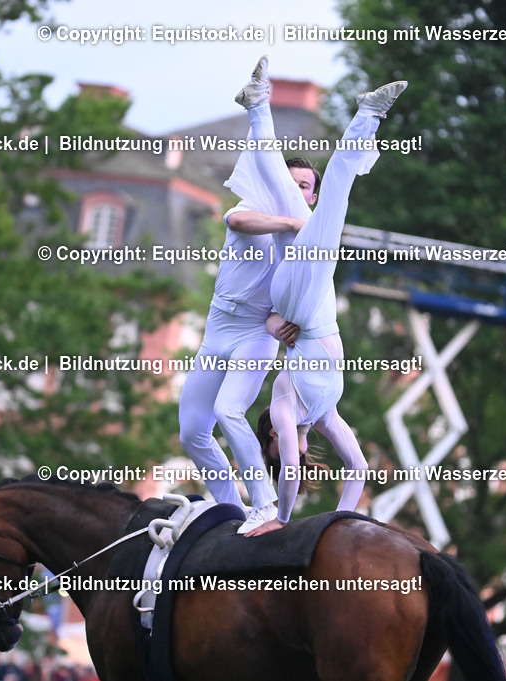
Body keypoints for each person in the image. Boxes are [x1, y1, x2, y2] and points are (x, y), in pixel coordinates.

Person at [243, 76, 407, 537]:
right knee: (337, 198)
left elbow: (290, 471)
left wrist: (281, 520)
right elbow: (357, 469)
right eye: (290, 185)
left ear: (271, 439)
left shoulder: (284, 404)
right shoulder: (327, 413)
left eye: (302, 187)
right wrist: (343, 523)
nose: (286, 446)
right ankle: (364, 115)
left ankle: (363, 114)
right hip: (310, 301)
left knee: (336, 195)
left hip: (301, 300)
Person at [178, 56, 310, 534]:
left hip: (255, 333)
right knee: (193, 432)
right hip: (218, 327)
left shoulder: (305, 241)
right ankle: (229, 505)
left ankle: (266, 505)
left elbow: (285, 307)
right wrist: (290, 221)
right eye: (288, 184)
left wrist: (281, 325)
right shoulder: (255, 212)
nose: (294, 192)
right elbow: (236, 221)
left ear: (312, 196)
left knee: (227, 410)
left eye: (303, 189)